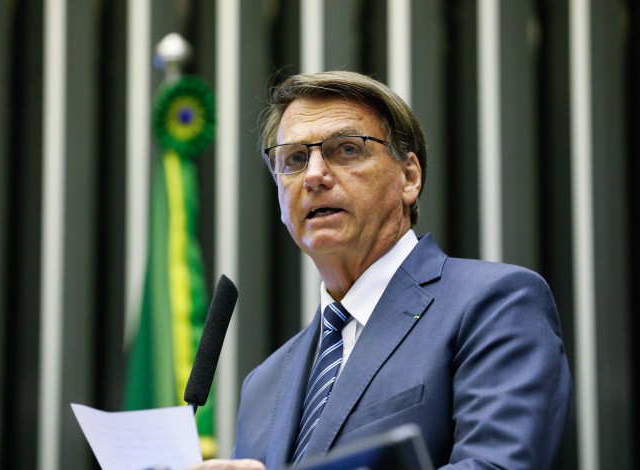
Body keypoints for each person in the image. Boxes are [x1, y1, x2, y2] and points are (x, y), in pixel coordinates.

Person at [189, 71, 572, 469]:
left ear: (409, 177)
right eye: (295, 159)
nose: (314, 176)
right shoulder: (262, 385)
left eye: (346, 149)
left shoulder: (495, 304)